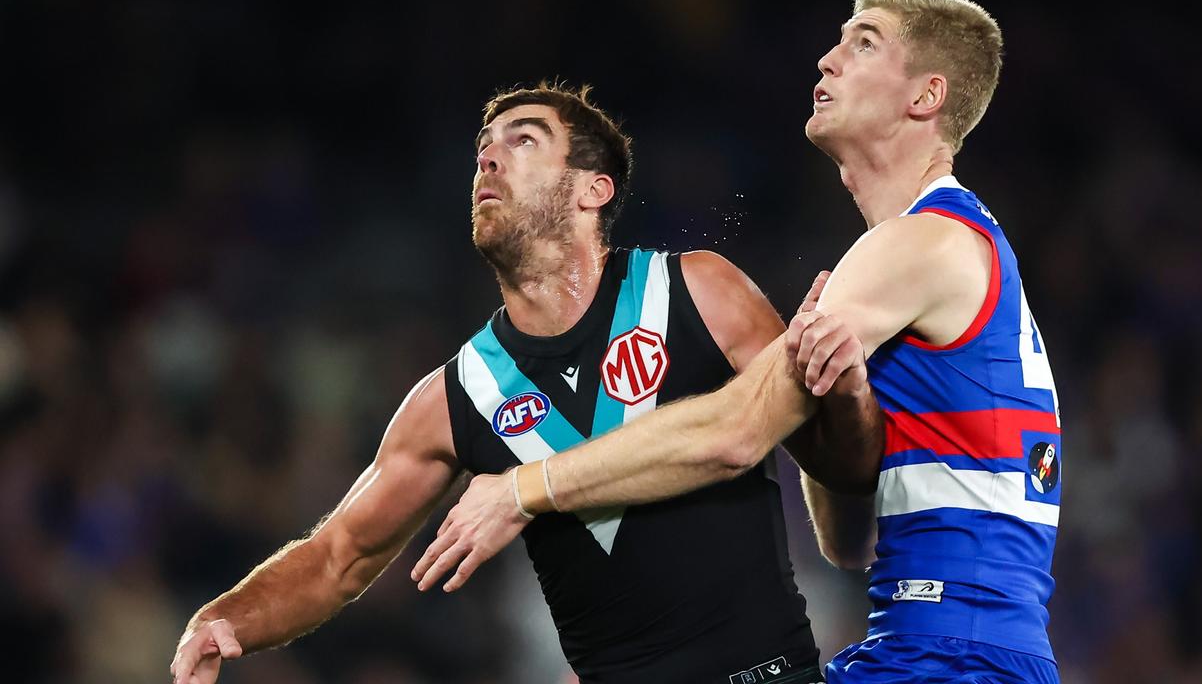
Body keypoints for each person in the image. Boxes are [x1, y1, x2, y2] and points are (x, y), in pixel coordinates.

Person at [415, 0, 1064, 684]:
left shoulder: (922, 243)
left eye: (864, 43)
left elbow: (735, 432)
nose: (827, 60)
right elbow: (850, 543)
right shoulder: (928, 251)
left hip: (951, 659)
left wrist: (524, 487)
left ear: (925, 97)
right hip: (945, 650)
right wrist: (835, 395)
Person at [170, 82, 843, 684]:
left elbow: (842, 464)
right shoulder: (458, 397)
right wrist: (227, 618)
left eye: (524, 140)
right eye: (483, 148)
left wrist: (838, 383)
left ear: (593, 188)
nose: (488, 159)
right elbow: (335, 558)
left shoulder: (699, 291)